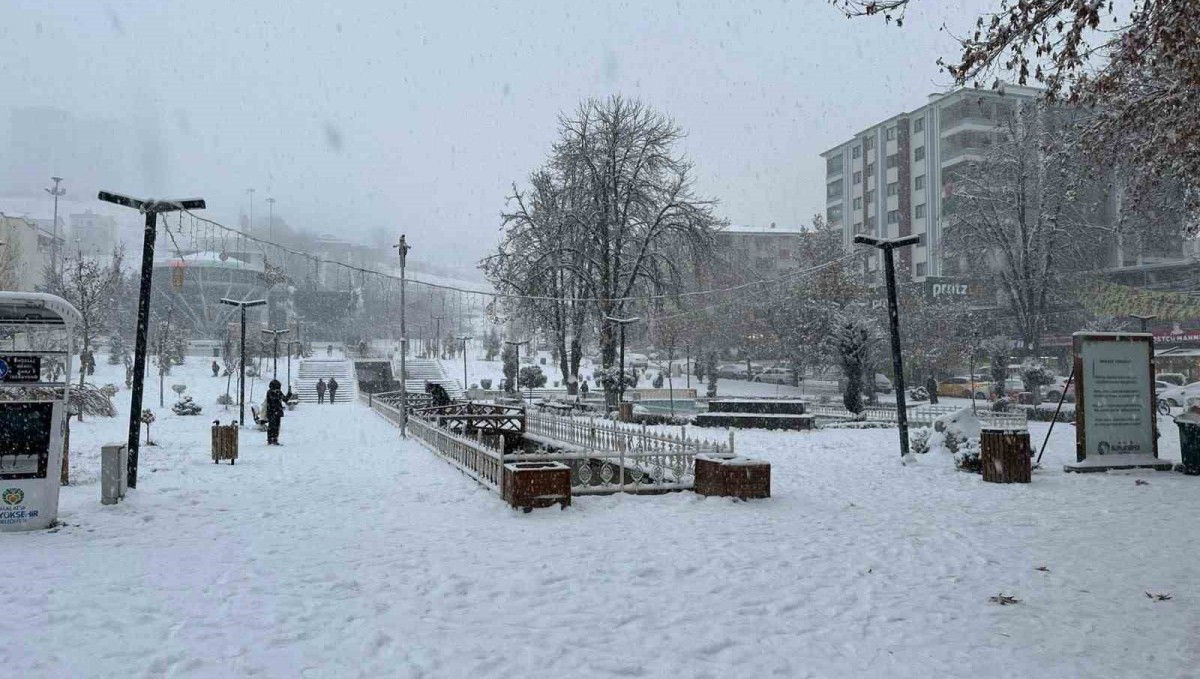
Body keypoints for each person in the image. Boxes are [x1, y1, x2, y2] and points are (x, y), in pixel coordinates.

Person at [265, 378, 285, 445]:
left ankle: (275, 439)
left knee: (277, 426)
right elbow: (273, 401)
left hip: (277, 412)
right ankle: (270, 439)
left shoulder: (278, 392)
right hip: (272, 412)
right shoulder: (270, 392)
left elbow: (285, 399)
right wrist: (277, 394)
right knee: (271, 426)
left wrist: (289, 393)